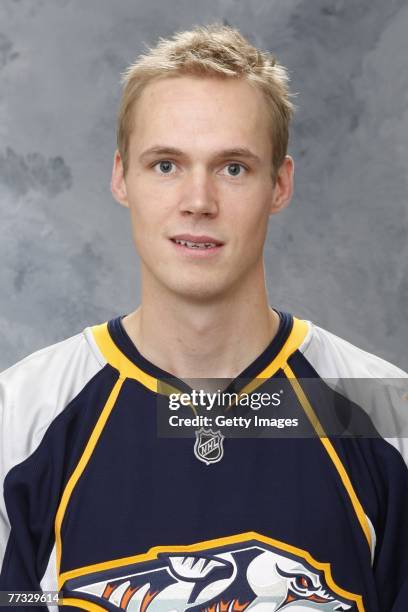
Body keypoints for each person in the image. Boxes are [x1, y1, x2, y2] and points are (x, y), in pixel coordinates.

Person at [0, 23, 407, 612]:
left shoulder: (379, 410)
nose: (198, 200)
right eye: (166, 165)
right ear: (121, 177)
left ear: (280, 184)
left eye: (233, 168)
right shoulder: (20, 417)